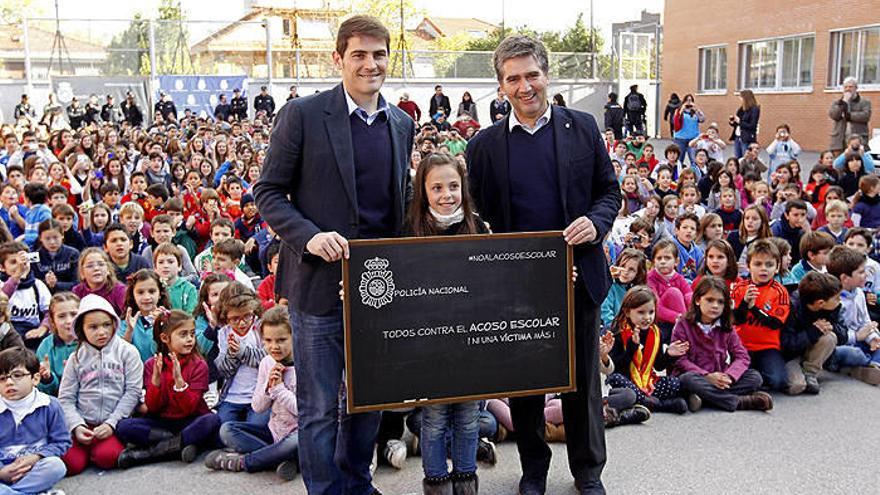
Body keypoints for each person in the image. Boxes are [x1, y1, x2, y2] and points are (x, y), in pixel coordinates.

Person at [254, 15, 415, 495]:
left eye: (379, 54)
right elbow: (269, 191)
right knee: (321, 405)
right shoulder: (304, 114)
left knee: (370, 398)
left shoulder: (401, 122)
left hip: (378, 289)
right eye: (360, 54)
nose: (371, 64)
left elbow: (398, 205)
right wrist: (309, 236)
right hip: (318, 286)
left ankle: (355, 482)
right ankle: (323, 490)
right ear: (339, 59)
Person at [466, 34, 620, 495]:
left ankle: (588, 472)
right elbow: (476, 217)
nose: (525, 86)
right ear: (500, 86)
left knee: (582, 383)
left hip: (578, 276)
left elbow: (609, 192)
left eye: (532, 75)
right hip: (517, 287)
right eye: (513, 78)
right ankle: (533, 471)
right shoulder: (485, 145)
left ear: (547, 75)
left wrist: (595, 224)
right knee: (526, 382)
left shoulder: (584, 127)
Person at [204, 305, 299, 480]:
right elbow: (257, 406)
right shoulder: (267, 362)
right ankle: (281, 459)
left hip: (299, 434)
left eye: (281, 340)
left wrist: (279, 390)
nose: (274, 346)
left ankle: (244, 462)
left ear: (295, 337)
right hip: (274, 432)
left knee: (295, 441)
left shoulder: (303, 366)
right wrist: (269, 387)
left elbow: (304, 412)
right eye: (268, 341)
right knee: (227, 430)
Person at [116, 309, 220, 468]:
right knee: (124, 427)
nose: (190, 339)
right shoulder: (152, 364)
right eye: (183, 335)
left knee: (211, 421)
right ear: (165, 338)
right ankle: (181, 445)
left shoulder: (199, 364)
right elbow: (153, 407)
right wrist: (155, 383)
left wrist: (180, 383)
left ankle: (148, 454)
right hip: (163, 421)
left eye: (192, 334)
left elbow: (189, 408)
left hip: (190, 419)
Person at [58, 294, 143, 476]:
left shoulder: (128, 352)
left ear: (114, 323)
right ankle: (84, 449)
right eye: (93, 327)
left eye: (106, 325)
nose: (102, 332)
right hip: (83, 423)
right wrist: (76, 426)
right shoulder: (76, 358)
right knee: (70, 464)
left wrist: (111, 424)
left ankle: (102, 449)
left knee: (107, 458)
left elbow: (132, 392)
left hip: (112, 423)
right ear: (81, 329)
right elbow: (65, 398)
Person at [671, 276, 771, 411]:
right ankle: (738, 402)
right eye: (710, 300)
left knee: (755, 377)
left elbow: (742, 356)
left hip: (720, 377)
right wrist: (707, 376)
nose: (715, 306)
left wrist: (729, 376)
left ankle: (705, 398)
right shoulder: (683, 324)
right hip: (697, 377)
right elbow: (680, 360)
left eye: (720, 302)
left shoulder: (726, 326)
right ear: (698, 300)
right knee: (687, 379)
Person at [606, 286, 689, 414]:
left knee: (675, 383)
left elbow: (658, 366)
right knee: (618, 381)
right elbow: (615, 367)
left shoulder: (656, 333)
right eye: (641, 312)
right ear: (627, 312)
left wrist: (669, 354)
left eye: (651, 312)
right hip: (625, 380)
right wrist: (632, 347)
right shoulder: (617, 332)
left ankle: (645, 402)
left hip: (646, 381)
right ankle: (661, 404)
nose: (647, 317)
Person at [0, 347, 71, 495]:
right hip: (3, 470)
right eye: (2, 378)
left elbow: (62, 442)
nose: (9, 382)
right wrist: (2, 471)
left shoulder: (50, 405)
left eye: (17, 375)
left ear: (35, 378)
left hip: (34, 467)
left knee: (56, 466)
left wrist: (36, 457)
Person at [731, 240, 791, 392]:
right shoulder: (739, 288)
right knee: (736, 376)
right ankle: (752, 381)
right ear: (748, 265)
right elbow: (736, 319)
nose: (763, 269)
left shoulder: (780, 292)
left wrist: (754, 308)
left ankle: (755, 380)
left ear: (777, 267)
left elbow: (775, 323)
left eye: (769, 265)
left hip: (767, 347)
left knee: (778, 381)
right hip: (741, 345)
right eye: (758, 264)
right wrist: (745, 303)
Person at [782, 272, 846, 395]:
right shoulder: (792, 307)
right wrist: (813, 331)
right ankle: (795, 375)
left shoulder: (833, 308)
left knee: (830, 337)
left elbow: (844, 336)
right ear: (821, 303)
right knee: (796, 386)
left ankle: (809, 372)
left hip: (812, 352)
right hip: (790, 356)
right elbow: (786, 344)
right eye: (837, 298)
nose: (839, 300)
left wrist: (831, 327)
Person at [0, 242, 51, 350]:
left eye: (24, 261)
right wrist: (17, 276)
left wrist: (43, 328)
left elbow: (49, 311)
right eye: (13, 262)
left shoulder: (38, 285)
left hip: (32, 330)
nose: (21, 265)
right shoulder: (2, 284)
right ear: (2, 267)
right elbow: (3, 297)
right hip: (7, 330)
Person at [35, 292, 80, 397]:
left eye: (73, 314)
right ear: (52, 320)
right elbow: (44, 391)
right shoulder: (46, 346)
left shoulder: (89, 342)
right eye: (61, 316)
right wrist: (47, 378)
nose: (69, 321)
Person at [829, 77, 872, 153]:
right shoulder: (837, 102)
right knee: (839, 164)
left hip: (858, 140)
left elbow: (866, 116)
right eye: (845, 87)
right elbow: (834, 115)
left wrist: (848, 116)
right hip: (839, 141)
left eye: (850, 87)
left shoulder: (865, 102)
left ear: (856, 88)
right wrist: (844, 102)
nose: (848, 89)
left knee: (857, 163)